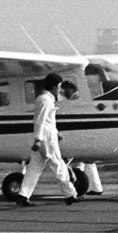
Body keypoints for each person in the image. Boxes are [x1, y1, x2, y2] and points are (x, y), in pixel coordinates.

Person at [18, 73, 78, 207]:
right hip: (46, 138)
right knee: (58, 164)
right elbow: (40, 121)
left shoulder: (45, 99)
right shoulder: (46, 100)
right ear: (54, 86)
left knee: (34, 168)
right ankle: (70, 195)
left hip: (47, 135)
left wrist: (56, 133)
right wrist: (38, 139)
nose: (60, 89)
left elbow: (48, 121)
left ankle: (23, 195)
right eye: (59, 86)